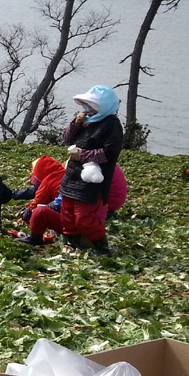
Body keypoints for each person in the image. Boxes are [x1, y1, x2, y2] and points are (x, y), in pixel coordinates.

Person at [58, 85, 123, 255]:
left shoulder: (111, 124)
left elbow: (110, 152)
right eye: (86, 105)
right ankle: (72, 244)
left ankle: (102, 248)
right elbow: (66, 139)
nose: (87, 109)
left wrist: (84, 155)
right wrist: (76, 123)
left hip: (91, 180)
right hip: (72, 175)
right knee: (68, 214)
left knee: (84, 218)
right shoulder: (87, 120)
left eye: (91, 105)